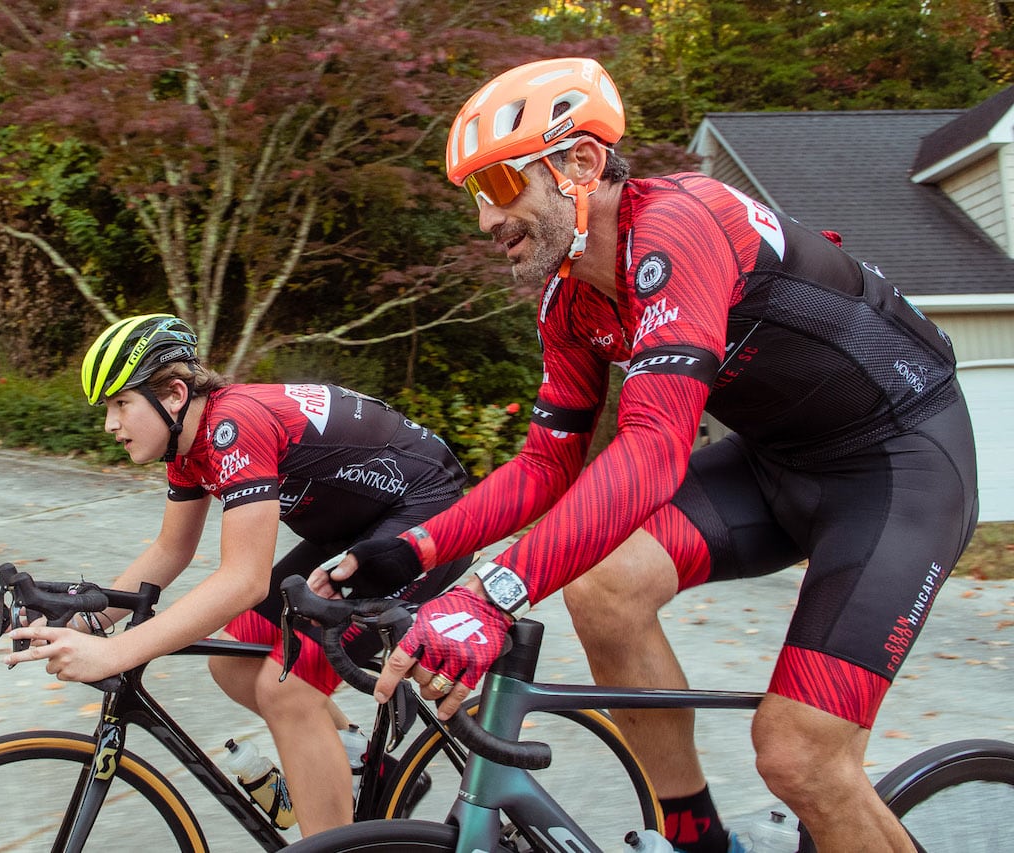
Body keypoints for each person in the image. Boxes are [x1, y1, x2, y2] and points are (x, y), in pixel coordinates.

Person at [314, 57, 978, 852]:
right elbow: (545, 466)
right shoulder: (570, 298)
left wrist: (490, 598)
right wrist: (411, 550)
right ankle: (694, 835)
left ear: (581, 165)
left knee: (801, 756)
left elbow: (655, 449)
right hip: (774, 460)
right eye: (474, 198)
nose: (486, 222)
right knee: (603, 587)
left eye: (497, 188)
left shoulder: (680, 223)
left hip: (898, 465)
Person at [4, 313, 472, 835]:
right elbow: (169, 551)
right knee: (233, 661)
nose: (110, 424)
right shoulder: (188, 447)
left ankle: (336, 842)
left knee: (287, 691)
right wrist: (84, 623)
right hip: (350, 529)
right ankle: (361, 762)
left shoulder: (235, 425)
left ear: (175, 395)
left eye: (121, 404)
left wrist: (117, 651)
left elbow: (243, 579)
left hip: (427, 516)